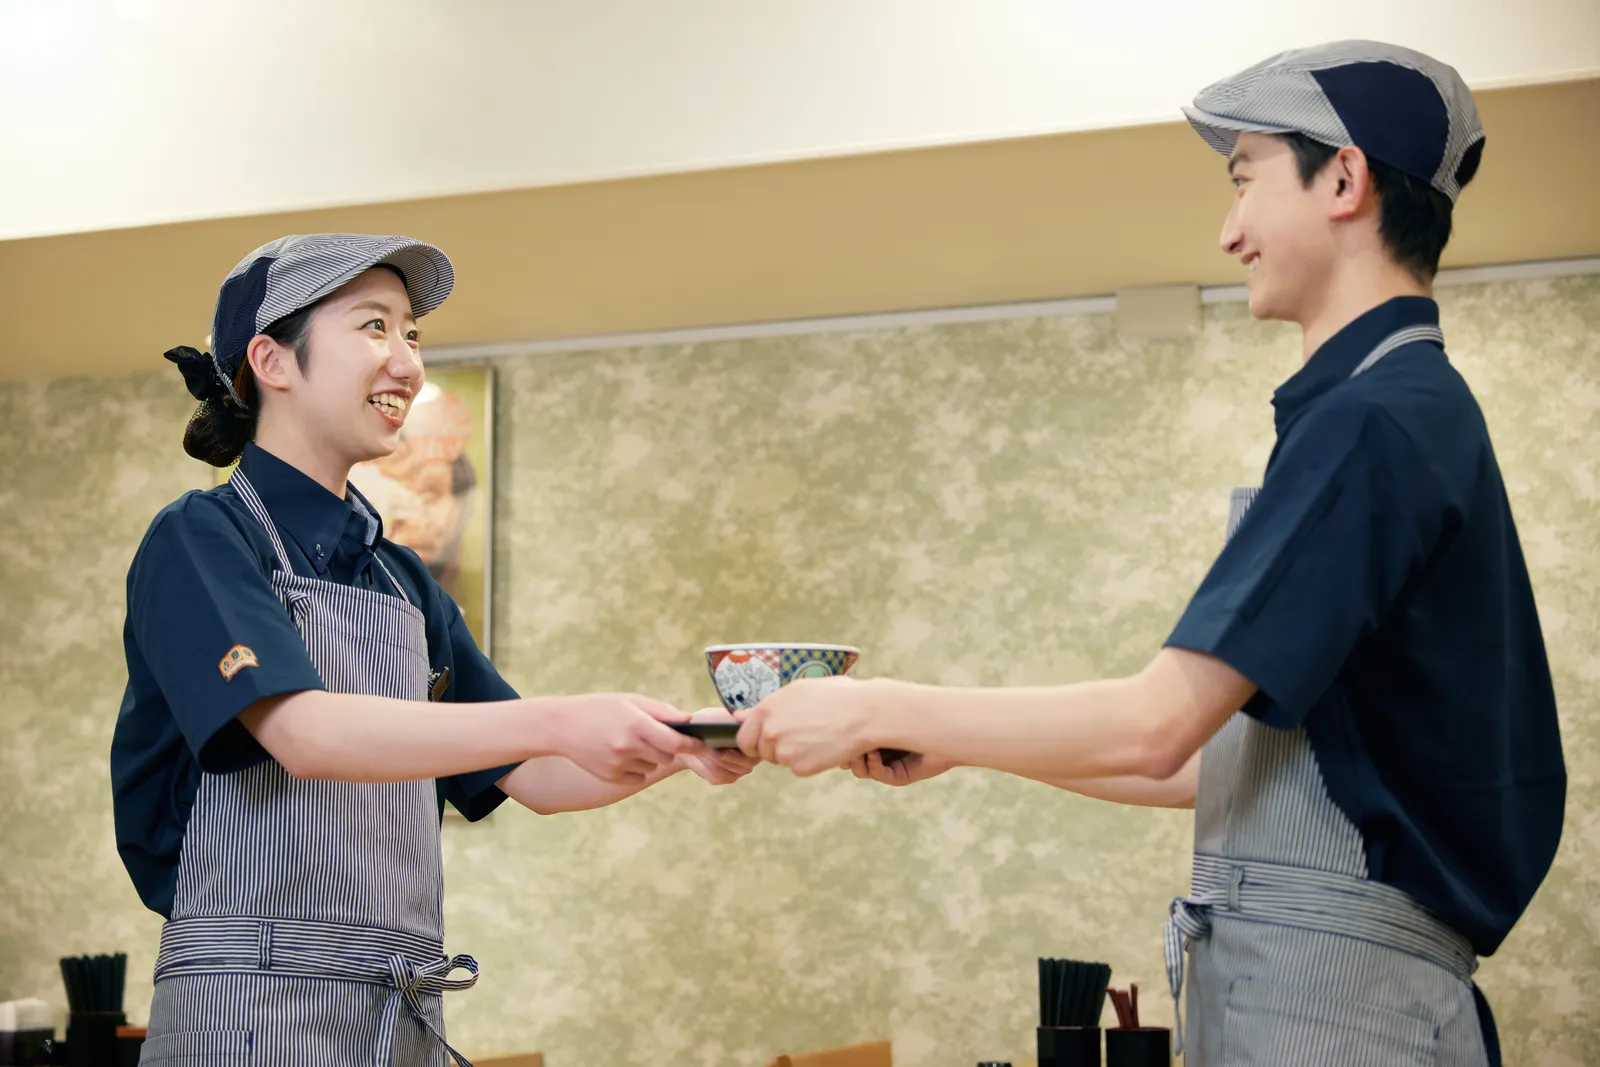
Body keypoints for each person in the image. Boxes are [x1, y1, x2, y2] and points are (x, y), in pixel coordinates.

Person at [734, 42, 1565, 1066]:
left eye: (1245, 178)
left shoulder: (1373, 422)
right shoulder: (1399, 415)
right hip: (1335, 991)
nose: (1229, 231)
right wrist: (966, 739)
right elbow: (1229, 768)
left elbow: (1155, 726)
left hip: (1335, 1005)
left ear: (1342, 178)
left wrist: (880, 702)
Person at [110, 234, 755, 1066]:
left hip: (396, 1014)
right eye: (374, 327)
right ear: (272, 359)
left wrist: (694, 740)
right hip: (244, 1010)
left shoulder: (402, 579)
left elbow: (537, 774)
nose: (408, 363)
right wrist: (560, 720)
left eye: (412, 334)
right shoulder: (203, 538)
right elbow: (305, 734)